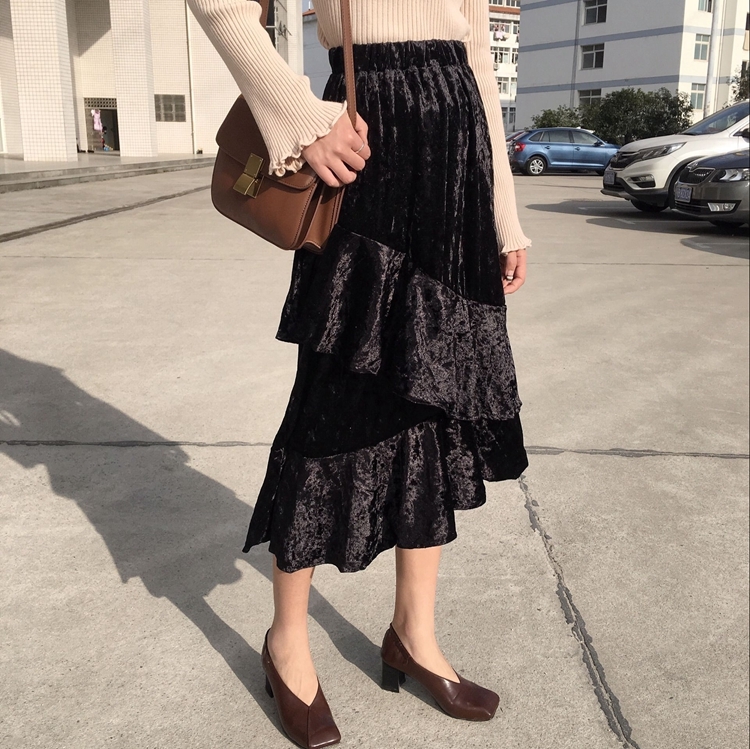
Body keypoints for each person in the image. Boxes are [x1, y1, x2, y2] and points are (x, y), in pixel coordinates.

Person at [188, 2, 531, 747]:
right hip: (365, 139)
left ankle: (414, 633)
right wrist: (300, 118)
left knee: (435, 394)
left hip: (457, 164)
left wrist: (503, 213)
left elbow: (476, 55)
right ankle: (286, 640)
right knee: (333, 397)